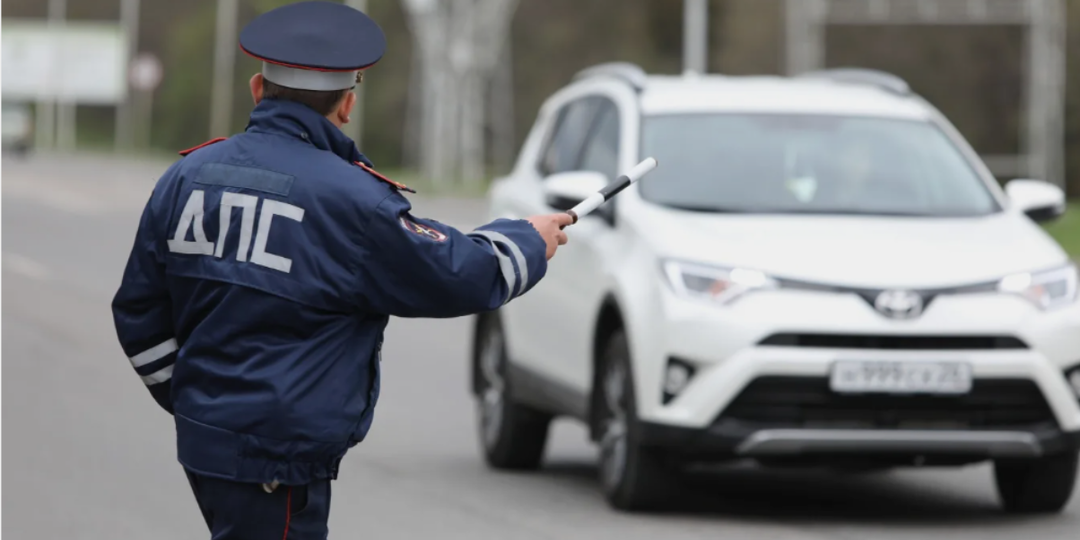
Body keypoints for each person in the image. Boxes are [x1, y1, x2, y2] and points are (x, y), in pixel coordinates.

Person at [110, 2, 573, 538]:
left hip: (208, 447)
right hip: (275, 462)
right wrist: (527, 241)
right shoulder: (352, 201)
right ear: (348, 103)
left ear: (258, 89)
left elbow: (138, 311)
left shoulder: (186, 176)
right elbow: (454, 274)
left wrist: (198, 404)